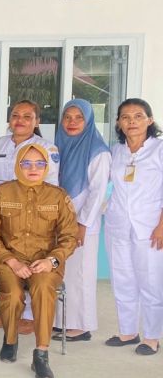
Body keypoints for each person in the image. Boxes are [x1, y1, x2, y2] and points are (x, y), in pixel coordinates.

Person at [0, 144, 78, 378]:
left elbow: (69, 236)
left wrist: (51, 260)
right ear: (17, 165)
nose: (32, 168)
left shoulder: (58, 196)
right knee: (13, 293)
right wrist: (11, 261)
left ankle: (41, 354)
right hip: (9, 260)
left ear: (46, 167)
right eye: (26, 163)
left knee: (43, 288)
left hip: (45, 262)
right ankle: (10, 340)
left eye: (39, 164)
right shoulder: (0, 193)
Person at [103, 98, 163, 356]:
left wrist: (162, 225)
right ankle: (128, 332)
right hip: (118, 225)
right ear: (118, 123)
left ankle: (152, 337)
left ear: (150, 120)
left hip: (150, 227)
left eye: (138, 116)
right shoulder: (116, 152)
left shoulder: (159, 150)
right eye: (125, 117)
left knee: (150, 281)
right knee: (122, 279)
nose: (132, 121)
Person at [53, 99, 110, 343]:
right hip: (60, 221)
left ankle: (81, 325)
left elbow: (98, 192)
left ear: (88, 121)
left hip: (81, 224)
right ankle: (63, 321)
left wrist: (82, 224)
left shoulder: (98, 151)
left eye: (79, 118)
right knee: (62, 272)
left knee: (80, 273)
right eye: (67, 117)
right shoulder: (60, 145)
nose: (72, 122)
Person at [0, 99, 59, 196]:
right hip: (0, 202)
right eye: (15, 115)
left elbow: (51, 185)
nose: (19, 120)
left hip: (31, 202)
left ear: (37, 122)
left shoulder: (47, 148)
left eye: (27, 116)